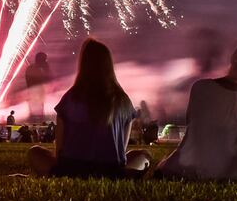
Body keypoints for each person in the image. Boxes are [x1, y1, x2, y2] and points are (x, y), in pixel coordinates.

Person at [28, 38, 150, 179]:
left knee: (35, 152)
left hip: (71, 169)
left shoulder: (71, 98)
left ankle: (54, 174)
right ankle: (126, 176)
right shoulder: (123, 101)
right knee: (144, 155)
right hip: (111, 171)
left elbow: (60, 148)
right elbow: (121, 149)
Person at [157, 39, 237, 180]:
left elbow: (192, 132)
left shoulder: (201, 88)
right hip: (231, 175)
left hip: (185, 169)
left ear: (233, 58)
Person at [25, 52, 51, 122]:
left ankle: (35, 117)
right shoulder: (38, 68)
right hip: (36, 90)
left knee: (37, 105)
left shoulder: (30, 68)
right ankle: (37, 118)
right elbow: (47, 78)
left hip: (34, 90)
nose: (46, 61)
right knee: (38, 105)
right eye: (44, 59)